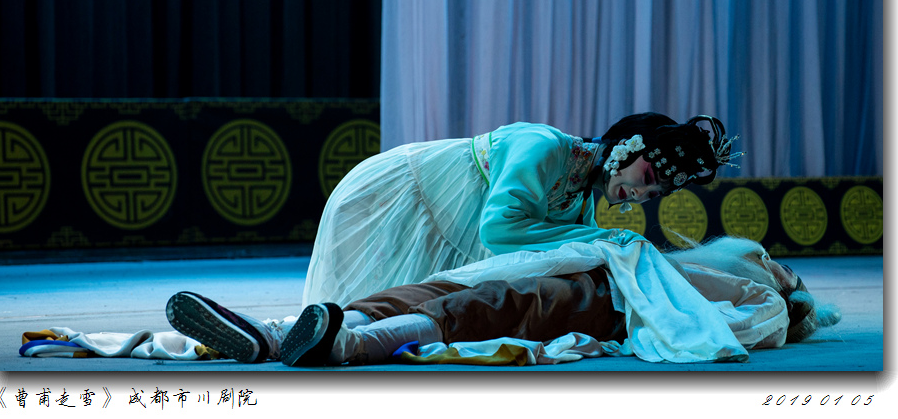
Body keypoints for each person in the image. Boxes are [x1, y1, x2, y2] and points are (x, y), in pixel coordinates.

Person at [164, 235, 840, 366]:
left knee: (485, 308)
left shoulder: (763, 298)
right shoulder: (691, 257)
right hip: (589, 269)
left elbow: (727, 333)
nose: (773, 262)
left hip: (602, 299)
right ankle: (275, 332)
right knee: (434, 288)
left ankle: (344, 345)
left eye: (786, 269)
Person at [303, 112, 744, 307]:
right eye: (647, 177)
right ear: (628, 147)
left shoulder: (581, 201)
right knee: (357, 303)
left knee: (393, 316)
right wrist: (607, 239)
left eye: (654, 194)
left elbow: (570, 254)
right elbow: (498, 230)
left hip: (440, 218)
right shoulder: (544, 146)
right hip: (397, 197)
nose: (642, 195)